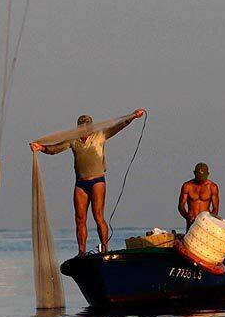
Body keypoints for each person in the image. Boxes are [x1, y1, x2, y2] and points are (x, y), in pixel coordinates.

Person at [31, 109, 146, 255]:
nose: (84, 130)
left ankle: (105, 248)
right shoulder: (73, 140)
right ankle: (82, 251)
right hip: (80, 183)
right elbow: (55, 148)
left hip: (97, 181)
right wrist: (40, 148)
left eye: (87, 127)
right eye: (81, 127)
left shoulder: (100, 135)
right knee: (80, 218)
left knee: (98, 216)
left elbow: (118, 126)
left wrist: (133, 116)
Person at [177, 162, 220, 232]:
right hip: (191, 222)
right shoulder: (187, 186)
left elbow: (215, 208)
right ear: (194, 173)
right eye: (199, 177)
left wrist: (209, 219)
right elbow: (181, 206)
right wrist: (187, 216)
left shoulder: (212, 187)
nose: (201, 180)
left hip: (206, 223)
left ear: (208, 174)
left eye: (202, 178)